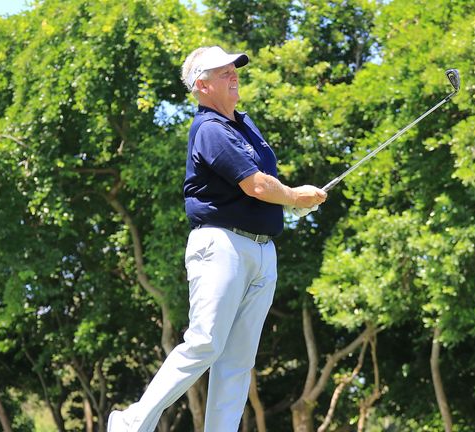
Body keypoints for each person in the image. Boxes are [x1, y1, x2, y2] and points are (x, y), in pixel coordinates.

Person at [108, 45, 327, 432]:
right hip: (221, 245)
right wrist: (295, 198)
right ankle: (130, 423)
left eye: (233, 69)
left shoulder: (243, 124)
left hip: (262, 249)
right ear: (201, 85)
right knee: (206, 341)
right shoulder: (209, 129)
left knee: (239, 360)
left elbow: (265, 187)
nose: (233, 75)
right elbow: (256, 185)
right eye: (223, 71)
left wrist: (293, 201)